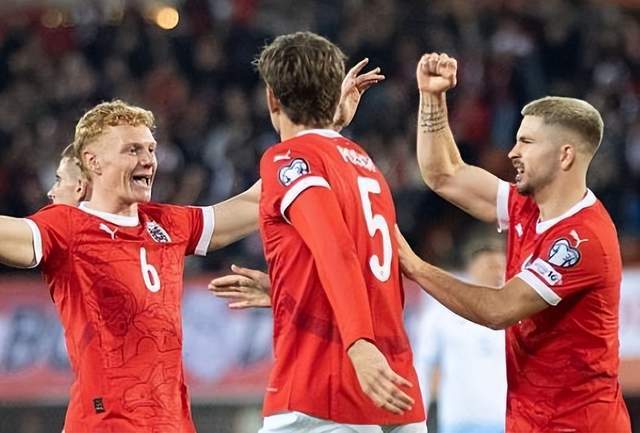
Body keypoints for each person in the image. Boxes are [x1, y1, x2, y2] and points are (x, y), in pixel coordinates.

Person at [0, 59, 380, 433]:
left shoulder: (166, 224)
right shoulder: (67, 227)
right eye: (133, 150)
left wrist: (325, 131)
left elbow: (257, 199)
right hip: (104, 424)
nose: (149, 160)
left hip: (173, 423)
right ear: (93, 162)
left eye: (151, 149)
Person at [396, 52, 631, 432]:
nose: (513, 152)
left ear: (565, 155)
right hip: (530, 421)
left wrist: (416, 267)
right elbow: (444, 174)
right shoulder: (527, 208)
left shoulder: (583, 238)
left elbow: (498, 309)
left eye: (527, 142)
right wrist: (432, 97)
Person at [253, 31, 425, 433]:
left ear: (272, 98)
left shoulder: (288, 159)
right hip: (394, 385)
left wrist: (359, 344)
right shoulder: (363, 162)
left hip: (326, 390)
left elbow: (335, 250)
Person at [413, 235, 506, 433]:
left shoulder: (516, 314)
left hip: (505, 420)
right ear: (472, 268)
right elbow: (424, 363)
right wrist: (418, 418)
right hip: (458, 421)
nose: (497, 272)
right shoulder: (443, 310)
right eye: (491, 266)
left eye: (501, 266)